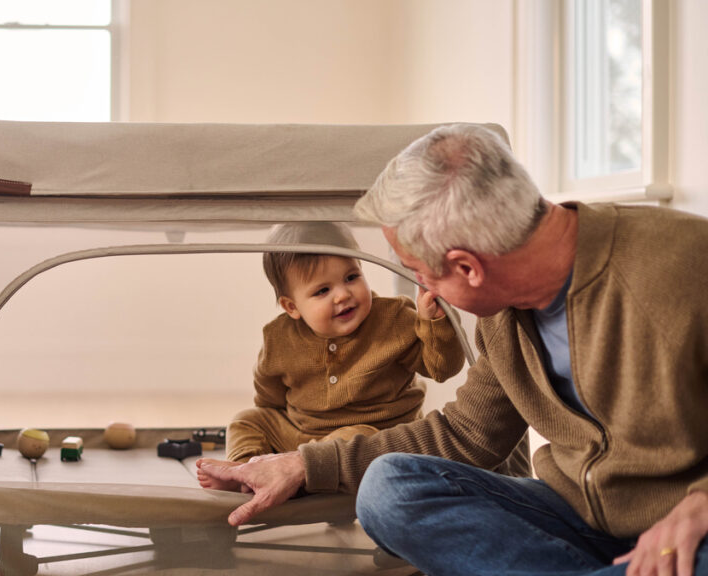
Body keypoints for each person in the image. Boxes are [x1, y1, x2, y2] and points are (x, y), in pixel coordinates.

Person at [197, 124, 708, 576]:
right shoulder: (506, 315)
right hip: (575, 511)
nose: (423, 289)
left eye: (420, 273)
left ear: (467, 268)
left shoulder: (682, 268)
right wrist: (305, 464)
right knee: (389, 488)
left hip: (688, 525)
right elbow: (468, 434)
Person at [207, 221, 464, 471]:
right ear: (292, 307)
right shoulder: (278, 338)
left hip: (373, 439)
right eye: (322, 291)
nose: (342, 295)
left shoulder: (395, 317)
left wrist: (434, 323)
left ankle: (297, 470)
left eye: (351, 277)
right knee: (247, 420)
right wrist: (273, 432)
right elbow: (269, 399)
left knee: (355, 436)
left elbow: (441, 369)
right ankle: (246, 470)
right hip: (301, 435)